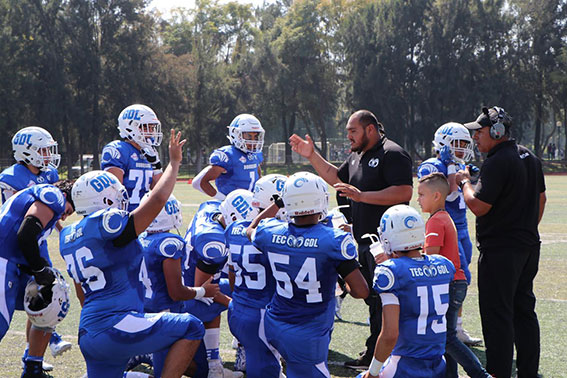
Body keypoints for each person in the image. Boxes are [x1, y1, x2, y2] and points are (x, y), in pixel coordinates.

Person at [59, 130, 205, 378]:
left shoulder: (68, 236)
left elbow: (81, 292)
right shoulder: (107, 223)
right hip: (117, 324)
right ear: (105, 197)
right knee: (191, 326)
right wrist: (174, 163)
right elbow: (158, 198)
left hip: (89, 331)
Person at [289, 110, 413, 369]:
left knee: (384, 300)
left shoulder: (393, 153)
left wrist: (362, 196)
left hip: (388, 243)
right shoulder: (358, 156)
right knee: (374, 300)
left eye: (352, 131)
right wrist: (312, 156)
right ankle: (376, 354)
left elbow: (404, 191)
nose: (348, 137)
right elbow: (338, 179)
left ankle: (383, 358)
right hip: (365, 242)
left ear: (370, 130)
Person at [249, 172, 369, 377]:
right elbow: (360, 291)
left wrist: (278, 203)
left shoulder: (269, 232)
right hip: (309, 330)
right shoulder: (333, 239)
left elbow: (251, 228)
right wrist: (340, 278)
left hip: (275, 321)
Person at [456, 106, 546, 378]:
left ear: (496, 131)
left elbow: (478, 205)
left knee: (498, 317)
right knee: (524, 312)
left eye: (480, 132)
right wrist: (525, 227)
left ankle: (497, 374)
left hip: (500, 252)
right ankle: (528, 372)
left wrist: (464, 183)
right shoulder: (529, 156)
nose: (476, 138)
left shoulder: (496, 161)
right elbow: (541, 199)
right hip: (528, 247)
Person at [0, 126, 73, 371]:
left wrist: (61, 229)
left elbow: (46, 214)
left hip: (35, 243)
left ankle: (34, 362)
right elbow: (21, 217)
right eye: (42, 150)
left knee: (51, 296)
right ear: (25, 151)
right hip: (13, 246)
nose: (47, 155)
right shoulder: (11, 176)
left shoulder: (50, 175)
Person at [356, 205, 455, 378]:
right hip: (438, 363)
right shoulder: (443, 264)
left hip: (405, 364)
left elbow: (390, 334)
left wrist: (372, 373)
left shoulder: (390, 272)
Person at [132, 193, 219, 377]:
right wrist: (203, 291)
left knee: (200, 368)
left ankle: (145, 351)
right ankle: (145, 357)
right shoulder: (168, 244)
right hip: (166, 315)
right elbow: (176, 292)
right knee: (172, 372)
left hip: (143, 310)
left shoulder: (140, 239)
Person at [417, 173, 490, 378]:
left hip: (451, 284)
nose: (418, 199)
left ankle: (480, 375)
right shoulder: (443, 217)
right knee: (444, 336)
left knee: (447, 337)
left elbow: (430, 256)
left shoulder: (435, 221)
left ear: (437, 196)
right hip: (456, 283)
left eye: (422, 194)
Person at [417, 122, 482, 346]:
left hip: (462, 226)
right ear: (443, 142)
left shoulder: (456, 164)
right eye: (458, 143)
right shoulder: (431, 165)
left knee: (461, 278)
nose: (463, 148)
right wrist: (454, 169)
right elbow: (451, 195)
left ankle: (457, 328)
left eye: (465, 143)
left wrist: (463, 173)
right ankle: (445, 328)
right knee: (455, 277)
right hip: (444, 227)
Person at [183, 189, 257, 378]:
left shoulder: (211, 208)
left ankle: (214, 361)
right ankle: (215, 363)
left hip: (186, 282)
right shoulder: (214, 245)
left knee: (237, 287)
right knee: (248, 295)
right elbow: (204, 290)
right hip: (188, 296)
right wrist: (234, 305)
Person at [225, 175, 287, 378]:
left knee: (259, 359)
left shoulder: (233, 229)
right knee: (265, 369)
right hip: (262, 313)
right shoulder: (278, 233)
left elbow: (232, 273)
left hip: (238, 308)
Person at [101, 104, 164, 212]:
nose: (151, 132)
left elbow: (161, 192)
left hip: (144, 216)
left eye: (152, 127)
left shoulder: (149, 152)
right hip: (124, 216)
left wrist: (157, 166)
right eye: (145, 127)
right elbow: (113, 194)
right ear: (130, 127)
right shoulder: (118, 150)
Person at [192, 114, 264, 199]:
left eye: (255, 136)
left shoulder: (256, 155)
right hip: (231, 207)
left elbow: (258, 178)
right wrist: (224, 199)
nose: (253, 140)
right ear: (236, 134)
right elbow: (201, 182)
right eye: (248, 136)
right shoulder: (227, 155)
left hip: (251, 205)